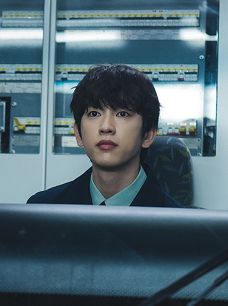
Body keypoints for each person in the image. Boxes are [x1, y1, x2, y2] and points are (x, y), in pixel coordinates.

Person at [28, 64, 181, 207]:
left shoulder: (182, 227)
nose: (106, 127)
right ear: (78, 133)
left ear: (148, 134)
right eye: (94, 113)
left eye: (122, 114)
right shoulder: (42, 209)